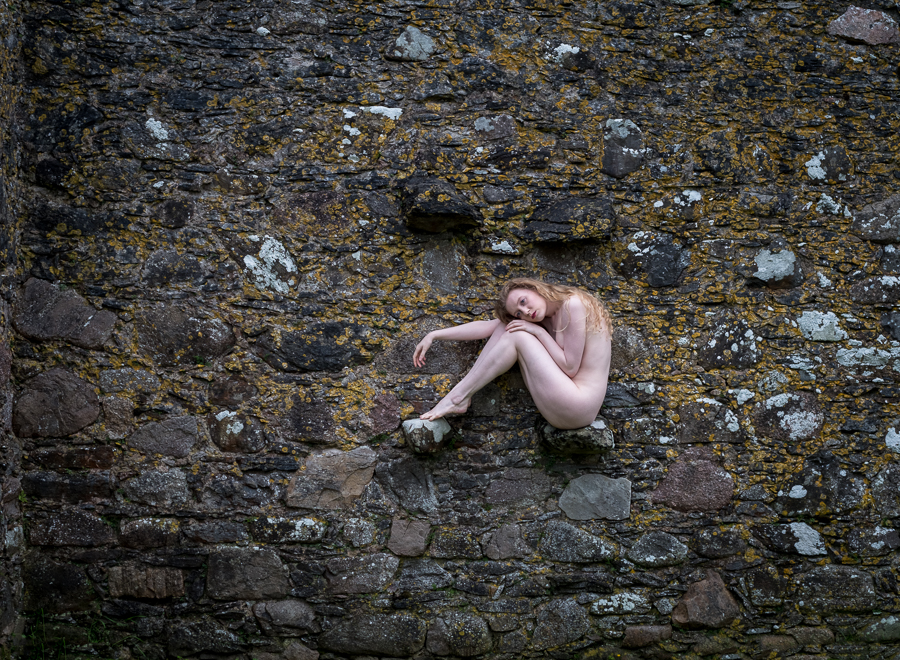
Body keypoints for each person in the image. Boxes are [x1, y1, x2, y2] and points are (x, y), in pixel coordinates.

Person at [415, 278, 612, 429]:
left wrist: (537, 332)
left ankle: (457, 398)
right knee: (509, 327)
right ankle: (459, 396)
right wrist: (434, 335)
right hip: (559, 409)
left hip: (580, 406)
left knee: (517, 334)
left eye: (523, 301)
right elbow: (486, 327)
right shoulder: (543, 317)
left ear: (534, 288)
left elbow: (570, 367)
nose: (525, 311)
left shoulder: (573, 304)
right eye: (519, 312)